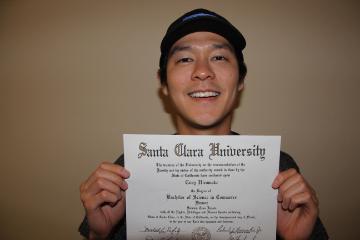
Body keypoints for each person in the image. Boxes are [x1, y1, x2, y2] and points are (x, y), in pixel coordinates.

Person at [79, 9, 328, 239]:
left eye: (219, 57)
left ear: (241, 79)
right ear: (163, 83)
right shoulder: (128, 170)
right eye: (185, 59)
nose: (202, 71)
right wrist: (100, 235)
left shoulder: (279, 169)